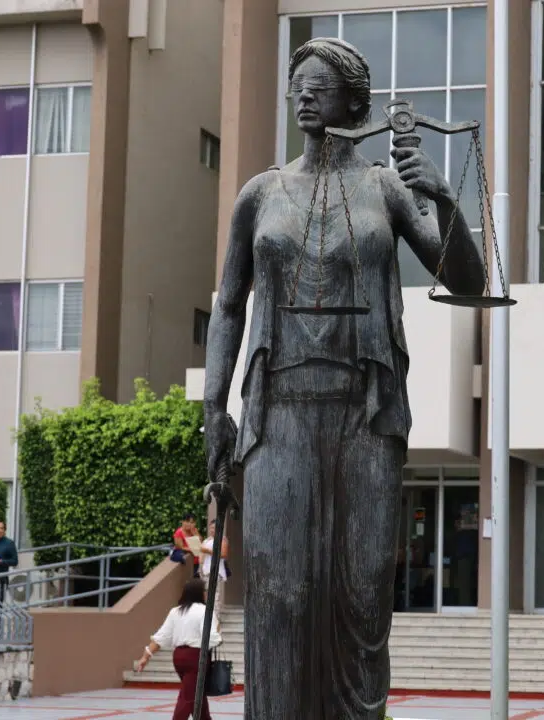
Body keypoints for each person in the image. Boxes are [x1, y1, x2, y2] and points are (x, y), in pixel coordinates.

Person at [202, 36, 484, 719]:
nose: (304, 94)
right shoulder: (260, 194)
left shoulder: (385, 188)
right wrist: (214, 407)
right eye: (297, 82)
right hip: (279, 415)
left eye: (320, 84)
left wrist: (443, 197)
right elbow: (229, 305)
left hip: (365, 415)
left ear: (355, 103)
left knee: (362, 592)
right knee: (283, 592)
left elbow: (468, 283)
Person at [133, 579, 222, 720]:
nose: (206, 593)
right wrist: (218, 632)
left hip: (179, 657)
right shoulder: (204, 611)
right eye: (205, 591)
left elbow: (161, 637)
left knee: (195, 694)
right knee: (188, 697)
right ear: (200, 593)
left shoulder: (175, 611)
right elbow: (212, 638)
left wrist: (145, 656)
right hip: (196, 657)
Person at [200, 519, 230, 609]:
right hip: (205, 570)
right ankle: (208, 614)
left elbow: (224, 554)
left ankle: (215, 615)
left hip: (216, 570)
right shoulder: (207, 540)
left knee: (214, 595)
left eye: (214, 528)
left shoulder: (222, 539)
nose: (212, 530)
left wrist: (207, 551)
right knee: (206, 594)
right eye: (211, 528)